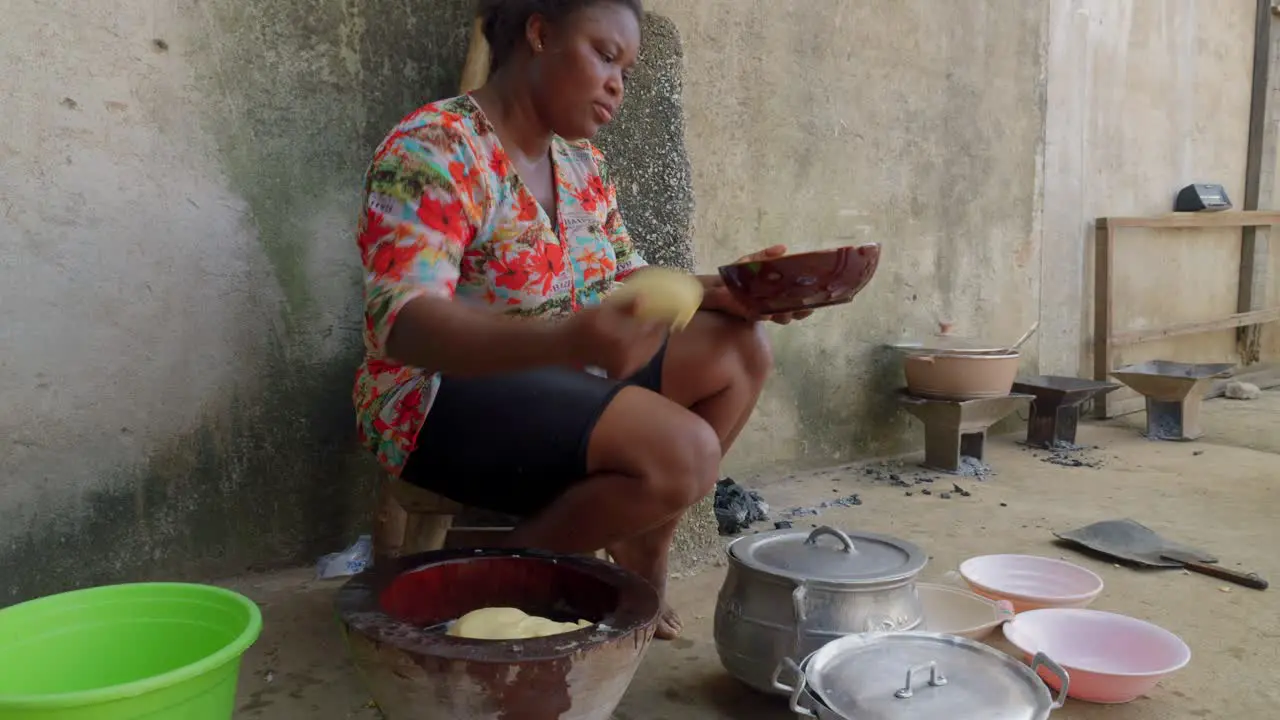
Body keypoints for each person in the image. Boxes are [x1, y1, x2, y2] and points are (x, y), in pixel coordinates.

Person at [353, 0, 811, 640]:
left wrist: (732, 290)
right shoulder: (436, 147)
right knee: (683, 454)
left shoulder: (580, 166)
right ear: (539, 33)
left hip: (569, 375)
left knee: (740, 349)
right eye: (604, 54)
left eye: (626, 66)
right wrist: (567, 336)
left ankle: (642, 545)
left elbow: (628, 280)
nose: (618, 82)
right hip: (435, 396)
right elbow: (404, 323)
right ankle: (501, 581)